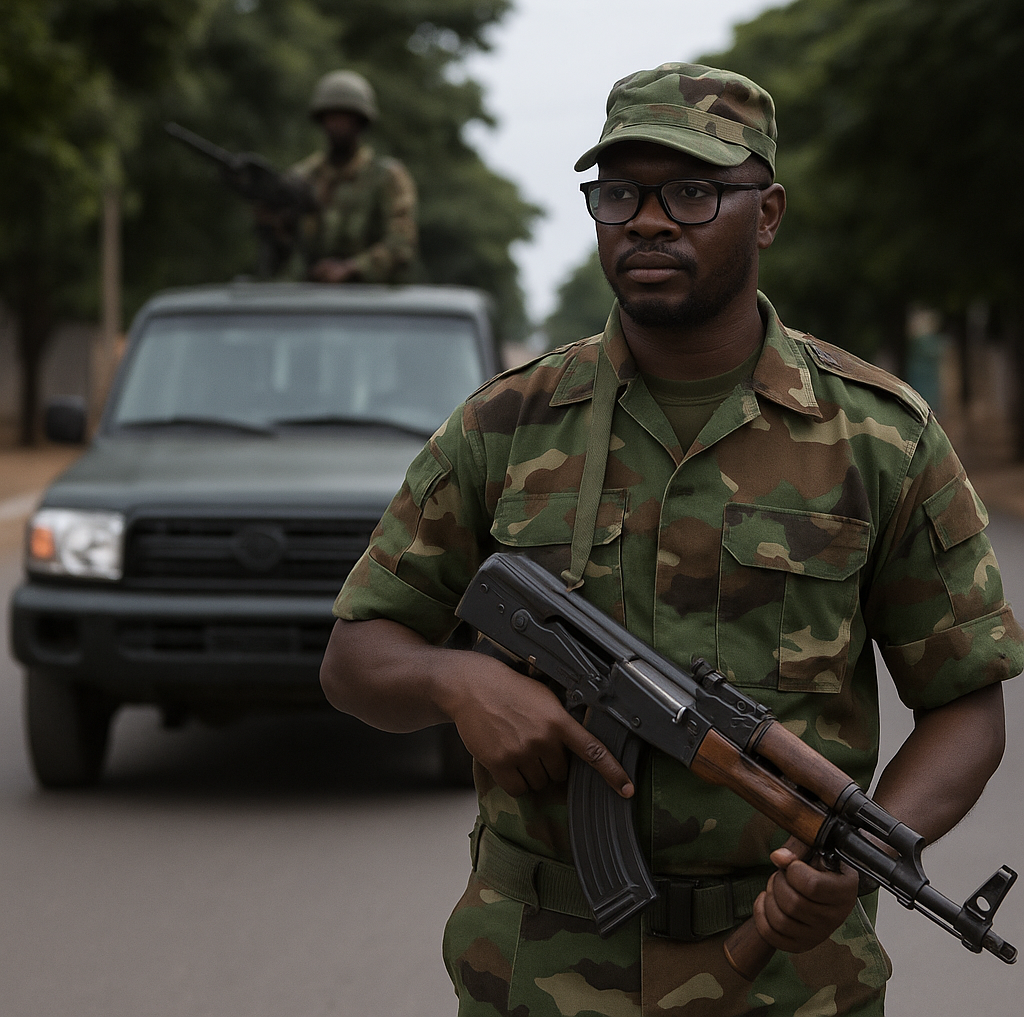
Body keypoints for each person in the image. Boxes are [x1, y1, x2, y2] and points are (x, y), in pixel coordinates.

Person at [319, 62, 1023, 1015]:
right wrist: (458, 681)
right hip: (538, 969)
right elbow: (357, 655)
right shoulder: (505, 425)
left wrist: (859, 859)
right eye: (619, 193)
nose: (648, 219)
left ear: (766, 213)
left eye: (693, 191)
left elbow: (966, 705)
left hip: (792, 983)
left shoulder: (881, 437)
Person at [266, 69, 418, 283]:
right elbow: (282, 250)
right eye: (332, 117)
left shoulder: (387, 177)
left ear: (361, 122)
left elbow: (401, 243)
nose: (338, 125)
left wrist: (353, 268)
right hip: (308, 296)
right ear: (322, 120)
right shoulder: (301, 177)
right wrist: (271, 221)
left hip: (374, 300)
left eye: (346, 118)